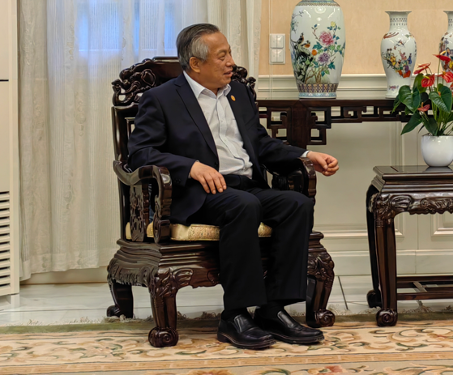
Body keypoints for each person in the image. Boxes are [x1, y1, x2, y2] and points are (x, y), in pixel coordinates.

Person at [128, 23, 339, 350]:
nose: (231, 62)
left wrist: (307, 155)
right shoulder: (162, 99)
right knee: (243, 205)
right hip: (199, 194)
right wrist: (191, 167)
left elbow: (261, 144)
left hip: (247, 186)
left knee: (296, 204)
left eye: (230, 54)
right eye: (222, 55)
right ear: (196, 64)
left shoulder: (238, 93)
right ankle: (235, 315)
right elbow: (141, 152)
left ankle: (272, 310)